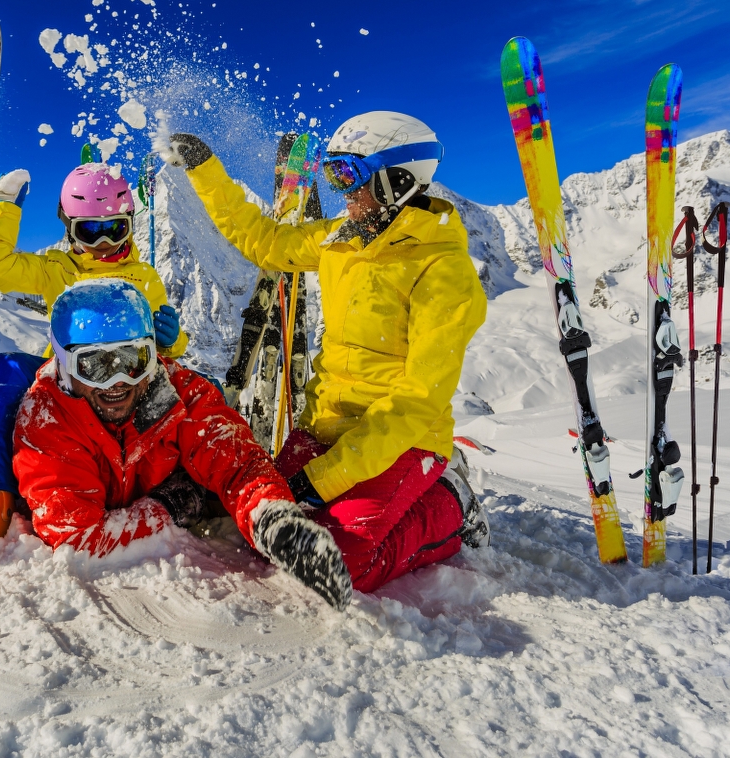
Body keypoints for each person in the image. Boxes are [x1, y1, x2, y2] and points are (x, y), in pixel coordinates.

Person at [161, 111, 490, 593]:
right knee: (266, 530)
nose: (342, 191)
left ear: (398, 179)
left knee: (340, 564)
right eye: (334, 173)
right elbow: (263, 241)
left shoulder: (442, 270)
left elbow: (417, 402)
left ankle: (449, 503)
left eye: (350, 175)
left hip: (402, 441)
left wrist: (321, 481)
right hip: (327, 426)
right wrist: (204, 168)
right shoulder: (341, 240)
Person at [11, 278, 353, 610]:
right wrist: (170, 506)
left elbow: (238, 461)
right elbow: (78, 539)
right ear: (64, 364)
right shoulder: (47, 419)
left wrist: (272, 518)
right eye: (95, 366)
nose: (117, 382)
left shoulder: (177, 392)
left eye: (133, 361)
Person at [0, 162, 188, 544]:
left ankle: (195, 482)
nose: (104, 245)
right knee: (6, 367)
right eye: (90, 232)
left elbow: (165, 350)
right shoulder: (57, 268)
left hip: (129, 377)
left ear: (129, 223)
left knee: (189, 386)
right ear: (68, 227)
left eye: (115, 230)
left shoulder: (145, 277)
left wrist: (171, 340)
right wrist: (6, 208)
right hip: (68, 376)